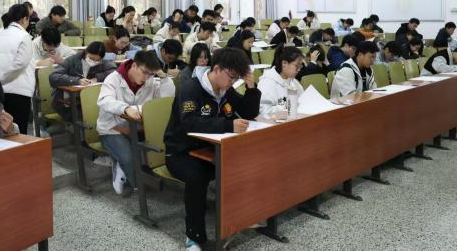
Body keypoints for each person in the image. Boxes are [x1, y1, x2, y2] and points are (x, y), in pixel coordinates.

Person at [163, 47, 260, 249]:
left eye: (236, 78)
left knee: (247, 163)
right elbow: (189, 122)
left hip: (210, 150)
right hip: (181, 152)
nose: (233, 82)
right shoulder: (190, 88)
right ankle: (194, 236)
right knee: (197, 176)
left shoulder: (226, 89)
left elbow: (248, 112)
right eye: (231, 77)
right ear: (217, 69)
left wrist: (251, 88)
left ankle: (242, 216)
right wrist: (228, 125)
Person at [97, 51, 175, 195]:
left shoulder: (150, 80)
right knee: (129, 160)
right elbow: (104, 101)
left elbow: (166, 99)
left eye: (151, 74)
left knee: (162, 148)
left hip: (138, 129)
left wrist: (163, 77)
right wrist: (125, 108)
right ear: (134, 65)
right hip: (112, 129)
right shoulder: (113, 79)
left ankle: (135, 171)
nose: (146, 78)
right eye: (144, 72)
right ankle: (129, 177)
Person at [0, 4, 34, 135]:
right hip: (19, 91)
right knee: (18, 133)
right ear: (24, 19)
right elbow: (21, 64)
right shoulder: (24, 36)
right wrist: (2, 78)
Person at [49, 41, 117, 120]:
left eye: (97, 60)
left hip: (88, 99)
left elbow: (114, 71)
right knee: (86, 117)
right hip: (67, 100)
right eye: (91, 58)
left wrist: (97, 78)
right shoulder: (72, 60)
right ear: (86, 52)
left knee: (100, 113)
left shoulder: (101, 62)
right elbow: (53, 76)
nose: (94, 62)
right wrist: (77, 81)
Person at [258, 46, 304, 117]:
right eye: (297, 66)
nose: (299, 69)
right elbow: (264, 112)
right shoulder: (267, 83)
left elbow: (303, 101)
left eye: (300, 66)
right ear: (284, 63)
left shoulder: (293, 81)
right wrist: (288, 106)